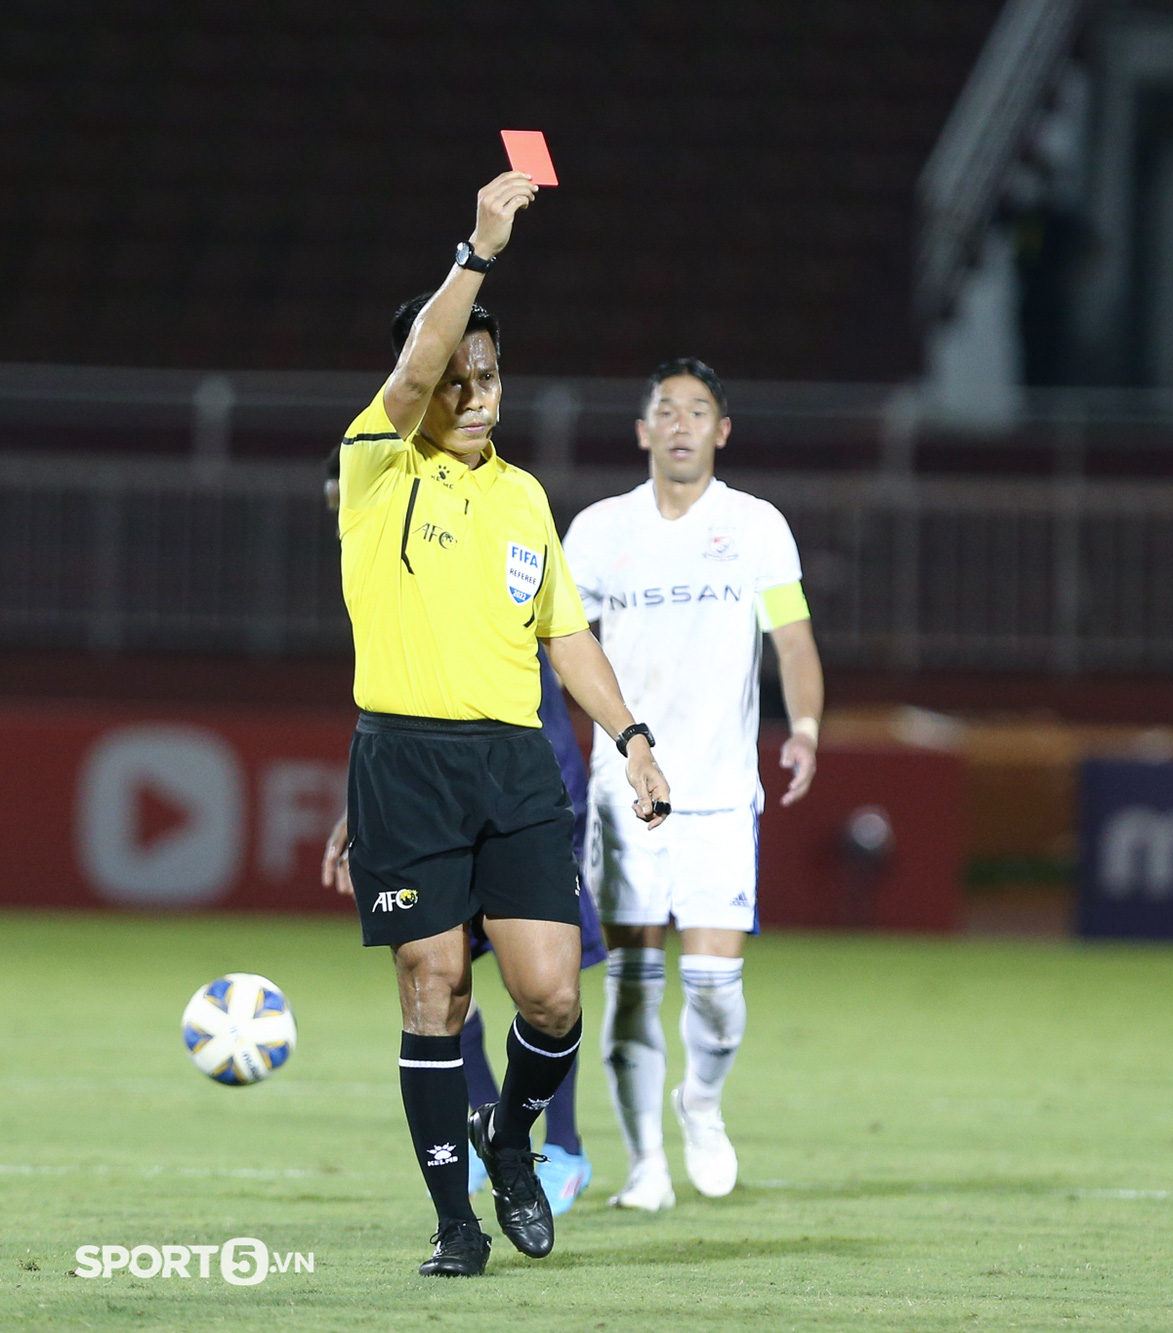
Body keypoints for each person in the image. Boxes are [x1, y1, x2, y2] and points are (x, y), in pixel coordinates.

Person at [334, 170, 671, 1277]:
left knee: (552, 994)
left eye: (490, 372)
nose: (476, 392)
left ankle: (510, 1137)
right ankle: (453, 1222)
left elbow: (565, 639)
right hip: (406, 761)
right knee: (434, 990)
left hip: (513, 763)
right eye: (455, 376)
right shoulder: (378, 465)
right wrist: (477, 250)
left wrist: (630, 738)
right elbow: (415, 365)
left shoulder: (525, 497)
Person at [563, 357, 823, 1210]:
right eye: (665, 410)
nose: (680, 423)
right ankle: (646, 1164)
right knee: (634, 984)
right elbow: (564, 646)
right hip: (625, 789)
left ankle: (701, 1103)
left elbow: (791, 641)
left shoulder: (755, 526)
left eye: (697, 410)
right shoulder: (599, 530)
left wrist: (808, 727)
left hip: (716, 792)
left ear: (722, 430)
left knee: (715, 992)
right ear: (642, 431)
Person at [322, 636, 608, 1216]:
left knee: (546, 988)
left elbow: (568, 651)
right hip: (433, 794)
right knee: (442, 980)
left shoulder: (510, 564)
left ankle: (563, 1146)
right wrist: (367, 804)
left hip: (527, 794)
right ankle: (485, 1128)